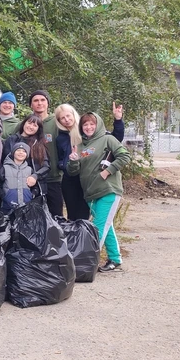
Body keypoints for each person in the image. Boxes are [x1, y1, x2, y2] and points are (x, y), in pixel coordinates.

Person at [66, 112, 131, 272]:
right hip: (90, 193)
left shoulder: (108, 139)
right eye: (85, 125)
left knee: (98, 227)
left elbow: (124, 156)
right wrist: (73, 160)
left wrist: (107, 171)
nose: (88, 127)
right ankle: (115, 258)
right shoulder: (80, 146)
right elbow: (73, 172)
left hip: (108, 190)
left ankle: (87, 263)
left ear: (98, 125)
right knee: (106, 226)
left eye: (91, 124)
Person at [29, 90, 63, 217]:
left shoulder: (57, 123)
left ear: (48, 103)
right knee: (35, 218)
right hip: (32, 179)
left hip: (54, 178)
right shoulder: (28, 123)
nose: (39, 103)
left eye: (43, 100)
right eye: (35, 100)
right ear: (31, 105)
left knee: (55, 216)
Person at [0, 142, 46, 213]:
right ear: (13, 152)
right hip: (7, 207)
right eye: (18, 150)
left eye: (24, 151)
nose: (21, 153)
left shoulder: (30, 170)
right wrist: (4, 196)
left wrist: (32, 195)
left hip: (26, 207)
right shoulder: (4, 169)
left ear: (27, 155)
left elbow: (35, 187)